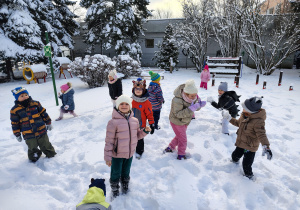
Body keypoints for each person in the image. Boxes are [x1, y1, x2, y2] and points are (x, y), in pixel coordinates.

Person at [104, 95, 151, 199]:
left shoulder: (134, 120)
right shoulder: (113, 122)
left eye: (126, 104)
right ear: (117, 106)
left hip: (129, 153)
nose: (124, 106)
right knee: (115, 172)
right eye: (121, 104)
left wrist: (144, 132)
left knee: (126, 171)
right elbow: (109, 141)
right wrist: (107, 157)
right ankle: (115, 187)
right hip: (117, 154)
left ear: (130, 106)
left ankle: (125, 184)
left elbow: (137, 136)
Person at [222, 96, 272, 180]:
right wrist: (229, 118)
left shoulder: (258, 122)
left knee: (246, 165)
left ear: (250, 111)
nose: (242, 109)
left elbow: (262, 134)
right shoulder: (245, 115)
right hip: (241, 143)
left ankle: (249, 177)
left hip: (250, 147)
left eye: (244, 108)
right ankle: (234, 163)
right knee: (235, 156)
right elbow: (238, 123)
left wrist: (266, 146)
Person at [10, 87, 56, 162]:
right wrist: (17, 134)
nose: (25, 97)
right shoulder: (14, 110)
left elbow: (43, 113)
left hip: (41, 129)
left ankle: (50, 153)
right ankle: (34, 155)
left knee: (45, 143)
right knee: (32, 146)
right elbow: (15, 123)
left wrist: (48, 122)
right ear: (17, 98)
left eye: (26, 95)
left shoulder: (35, 103)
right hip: (28, 133)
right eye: (21, 96)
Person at [163, 80, 206, 160]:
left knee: (179, 136)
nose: (194, 97)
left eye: (195, 95)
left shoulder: (194, 96)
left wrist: (199, 105)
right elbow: (178, 114)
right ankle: (181, 154)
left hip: (185, 121)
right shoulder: (177, 100)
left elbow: (195, 106)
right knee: (183, 139)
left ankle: (170, 147)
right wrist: (191, 109)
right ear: (186, 94)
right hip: (176, 121)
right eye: (192, 96)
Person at [131, 78, 155, 159]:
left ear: (143, 90)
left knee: (139, 139)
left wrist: (151, 123)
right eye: (136, 89)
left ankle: (139, 151)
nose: (138, 91)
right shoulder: (130, 100)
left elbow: (149, 114)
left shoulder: (146, 102)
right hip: (130, 124)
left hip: (141, 125)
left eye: (140, 89)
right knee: (130, 136)